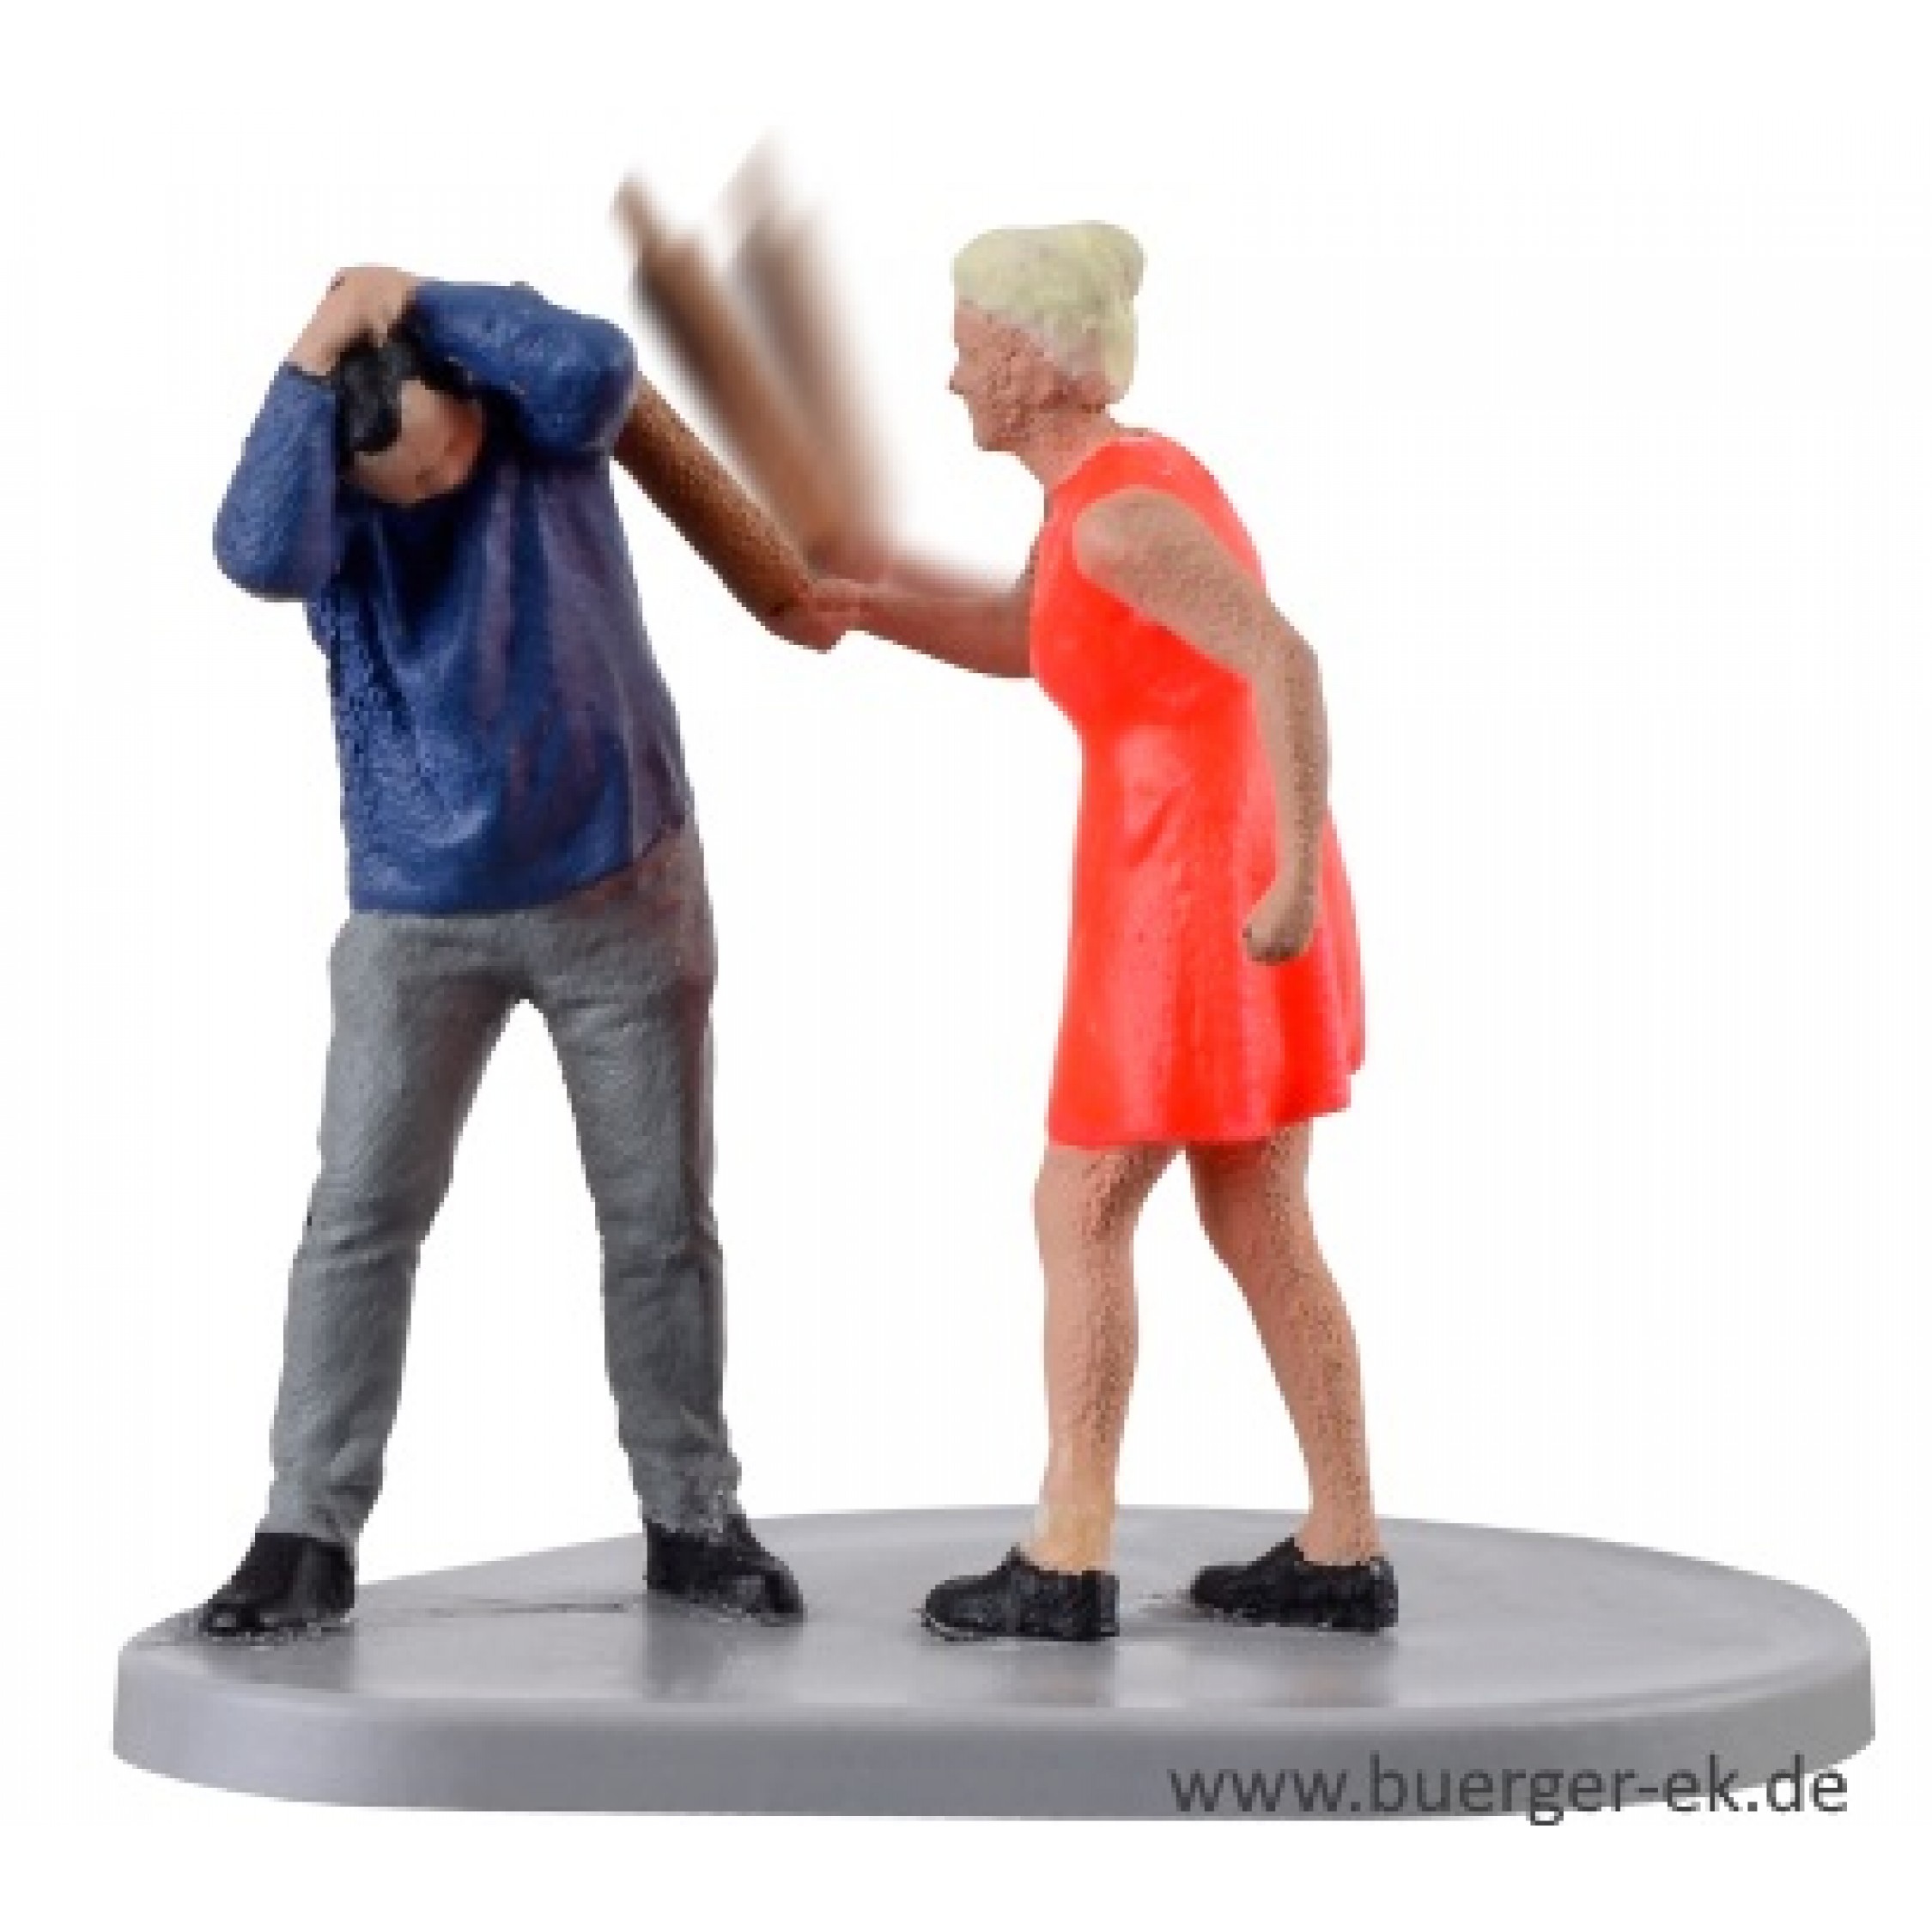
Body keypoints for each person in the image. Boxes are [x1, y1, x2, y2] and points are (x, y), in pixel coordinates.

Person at [801, 223, 1396, 1641]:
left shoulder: (1123, 520)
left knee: (1080, 1205)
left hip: (1189, 896)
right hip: (1207, 875)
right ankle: (1344, 1545)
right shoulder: (1112, 491)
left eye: (967, 349)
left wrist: (1285, 881)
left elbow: (1284, 660)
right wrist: (869, 610)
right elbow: (1030, 637)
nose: (951, 377)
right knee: (1256, 1212)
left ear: (1030, 362)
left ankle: (1066, 1556)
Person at [198, 265, 802, 1635]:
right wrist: (314, 351)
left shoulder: (536, 410)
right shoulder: (325, 497)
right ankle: (304, 1527)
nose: (434, 489)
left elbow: (597, 367)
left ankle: (691, 1513)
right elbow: (252, 552)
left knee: (658, 1220)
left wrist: (413, 295)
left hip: (625, 879)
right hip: (416, 907)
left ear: (467, 393)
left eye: (443, 454)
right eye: (402, 484)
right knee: (361, 1215)